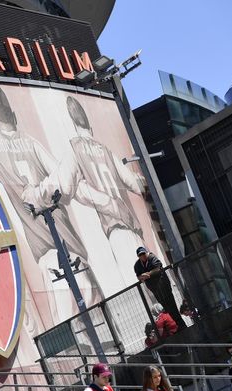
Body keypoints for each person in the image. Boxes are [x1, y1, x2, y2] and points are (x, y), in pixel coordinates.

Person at [0, 85, 102, 322]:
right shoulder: (31, 142)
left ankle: (88, 353)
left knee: (66, 313)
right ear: (13, 114)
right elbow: (65, 179)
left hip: (44, 247)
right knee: (92, 306)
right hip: (67, 242)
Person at [23, 96, 148, 293]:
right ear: (89, 124)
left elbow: (62, 185)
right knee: (153, 285)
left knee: (140, 291)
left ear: (73, 123)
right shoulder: (106, 150)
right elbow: (135, 184)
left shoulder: (75, 148)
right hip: (132, 226)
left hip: (115, 229)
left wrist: (34, 195)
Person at [135, 246, 186, 328]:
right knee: (165, 308)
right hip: (155, 290)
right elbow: (138, 276)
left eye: (143, 253)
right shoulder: (137, 265)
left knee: (172, 306)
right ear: (138, 256)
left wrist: (148, 274)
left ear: (146, 253)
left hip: (164, 287)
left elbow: (158, 268)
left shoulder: (152, 257)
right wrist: (141, 277)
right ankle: (175, 327)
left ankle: (181, 325)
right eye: (140, 255)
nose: (142, 256)